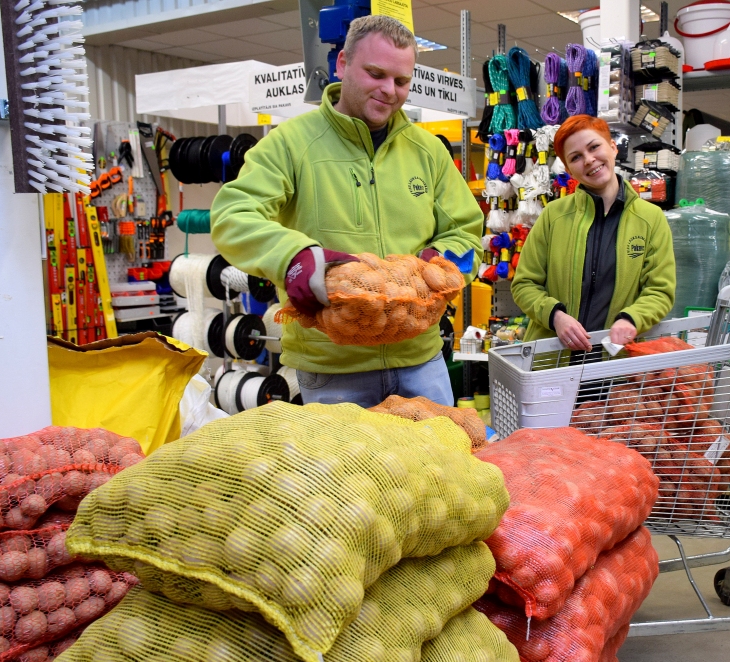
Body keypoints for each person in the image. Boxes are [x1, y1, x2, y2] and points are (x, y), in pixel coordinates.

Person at [211, 16, 482, 408]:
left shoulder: (429, 152)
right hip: (333, 370)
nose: (389, 91)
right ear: (341, 64)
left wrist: (438, 266)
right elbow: (232, 215)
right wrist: (294, 257)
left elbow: (467, 232)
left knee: (443, 467)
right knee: (350, 471)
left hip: (422, 361)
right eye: (375, 74)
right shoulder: (291, 144)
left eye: (402, 81)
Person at [511, 115, 675, 352]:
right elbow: (525, 283)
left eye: (594, 147)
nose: (589, 160)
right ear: (568, 169)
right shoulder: (553, 216)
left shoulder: (650, 219)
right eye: (576, 157)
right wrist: (555, 315)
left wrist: (632, 318)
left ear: (612, 147)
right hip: (553, 361)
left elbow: (660, 290)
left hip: (618, 363)